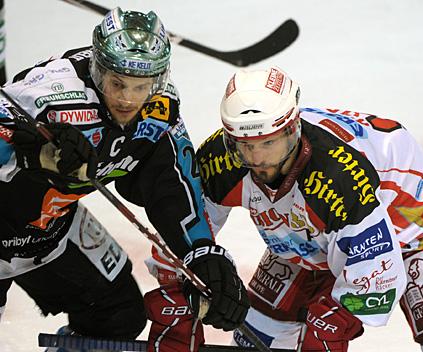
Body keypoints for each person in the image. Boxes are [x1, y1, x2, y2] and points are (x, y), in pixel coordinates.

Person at [0, 7, 248, 351]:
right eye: (117, 83)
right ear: (98, 69)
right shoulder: (51, 94)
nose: (128, 98)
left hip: (51, 231)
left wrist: (203, 253)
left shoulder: (159, 108)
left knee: (118, 316)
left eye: (141, 86)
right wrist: (34, 151)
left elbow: (173, 183)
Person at [194, 66, 423, 351]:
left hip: (414, 224)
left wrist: (341, 317)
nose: (259, 159)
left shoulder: (337, 176)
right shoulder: (220, 160)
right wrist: (180, 281)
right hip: (311, 231)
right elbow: (188, 229)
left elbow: (377, 277)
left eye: (269, 143)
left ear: (293, 129)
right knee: (257, 332)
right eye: (244, 147)